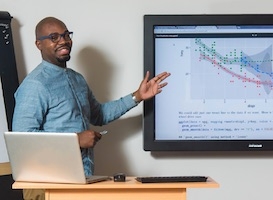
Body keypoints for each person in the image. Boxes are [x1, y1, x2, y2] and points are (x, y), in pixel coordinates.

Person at [12, 16, 170, 200]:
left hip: (82, 181)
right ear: (39, 44)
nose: (63, 41)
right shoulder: (35, 85)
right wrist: (75, 140)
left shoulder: (77, 79)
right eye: (54, 37)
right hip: (49, 187)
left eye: (65, 35)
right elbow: (22, 141)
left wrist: (137, 96)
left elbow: (99, 115)